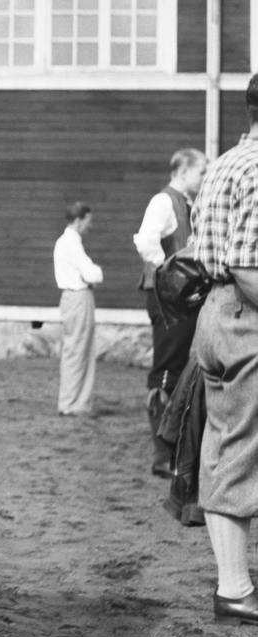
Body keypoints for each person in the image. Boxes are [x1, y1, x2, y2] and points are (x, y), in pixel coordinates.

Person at [191, 74, 258, 626]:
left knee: (224, 444)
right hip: (246, 315)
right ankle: (234, 589)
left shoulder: (223, 163)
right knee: (240, 451)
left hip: (213, 314)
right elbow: (248, 266)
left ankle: (233, 582)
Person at [133, 149, 208, 474]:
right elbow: (145, 241)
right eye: (201, 172)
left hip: (181, 299)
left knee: (177, 368)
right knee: (166, 369)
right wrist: (170, 274)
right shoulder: (163, 201)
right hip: (167, 298)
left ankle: (173, 448)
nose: (204, 178)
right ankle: (163, 456)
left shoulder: (186, 203)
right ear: (184, 170)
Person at [54, 202, 104, 416]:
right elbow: (93, 274)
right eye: (87, 221)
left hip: (71, 297)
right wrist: (97, 271)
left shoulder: (66, 242)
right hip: (79, 297)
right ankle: (74, 403)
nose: (89, 225)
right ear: (78, 220)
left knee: (75, 348)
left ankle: (73, 401)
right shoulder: (71, 243)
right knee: (79, 349)